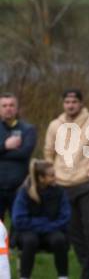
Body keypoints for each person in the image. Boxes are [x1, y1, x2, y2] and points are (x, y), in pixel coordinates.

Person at [44, 88, 89, 279]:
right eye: (67, 102)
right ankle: (87, 271)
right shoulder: (55, 125)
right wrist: (51, 176)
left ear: (81, 103)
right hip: (62, 184)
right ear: (63, 104)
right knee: (74, 233)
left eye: (74, 102)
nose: (70, 105)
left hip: (86, 183)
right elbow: (48, 152)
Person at [12, 159, 70, 279]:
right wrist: (45, 224)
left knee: (59, 239)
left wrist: (46, 226)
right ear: (41, 178)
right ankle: (24, 276)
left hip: (52, 230)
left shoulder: (59, 192)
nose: (55, 177)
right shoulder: (24, 192)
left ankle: (63, 276)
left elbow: (65, 217)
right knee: (30, 240)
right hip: (28, 231)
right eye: (51, 175)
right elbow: (18, 220)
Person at [0, 92, 37, 221]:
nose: (8, 108)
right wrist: (5, 145)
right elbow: (17, 152)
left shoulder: (28, 129)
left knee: (19, 225)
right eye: (4, 105)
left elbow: (25, 153)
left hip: (19, 188)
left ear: (17, 108)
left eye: (11, 105)